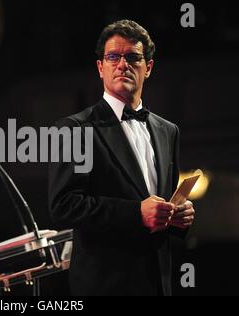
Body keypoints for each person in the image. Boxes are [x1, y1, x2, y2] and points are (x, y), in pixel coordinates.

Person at [48, 20, 195, 296]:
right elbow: (64, 206)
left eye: (133, 57)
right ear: (100, 67)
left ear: (148, 68)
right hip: (105, 285)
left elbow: (162, 204)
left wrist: (178, 216)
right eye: (113, 56)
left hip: (158, 284)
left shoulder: (168, 131)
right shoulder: (74, 129)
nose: (122, 64)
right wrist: (136, 214)